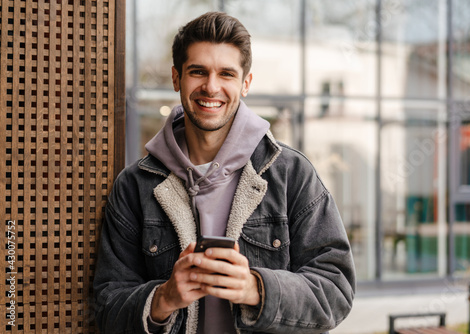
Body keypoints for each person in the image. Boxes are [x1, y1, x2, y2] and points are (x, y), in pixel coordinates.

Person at [93, 11, 355, 334]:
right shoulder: (134, 186)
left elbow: (337, 289)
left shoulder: (292, 174)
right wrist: (163, 298)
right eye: (198, 71)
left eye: (227, 74)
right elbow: (107, 306)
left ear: (245, 83)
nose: (211, 87)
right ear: (176, 78)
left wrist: (255, 289)